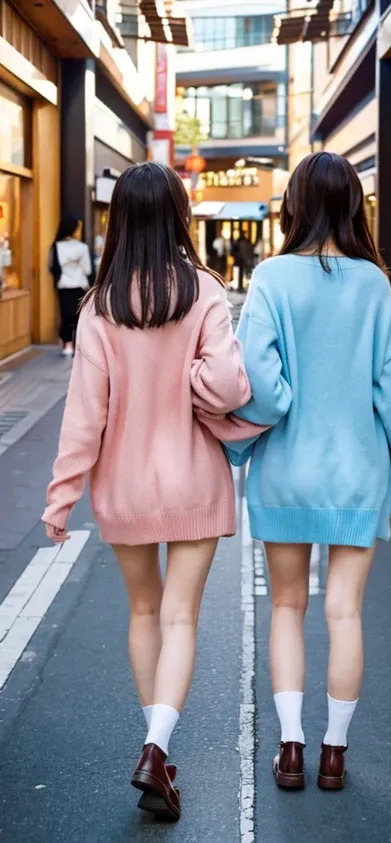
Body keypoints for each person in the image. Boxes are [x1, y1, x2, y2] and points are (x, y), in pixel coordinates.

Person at [42, 162, 259, 821]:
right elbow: (231, 386)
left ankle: (155, 750)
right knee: (181, 617)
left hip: (125, 485)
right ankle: (157, 743)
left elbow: (86, 417)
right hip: (194, 476)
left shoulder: (100, 307)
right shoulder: (204, 290)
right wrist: (194, 370)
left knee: (143, 612)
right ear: (178, 216)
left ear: (118, 222)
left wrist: (60, 496)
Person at [225, 152, 391, 791]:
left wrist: (240, 439)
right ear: (354, 206)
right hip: (358, 471)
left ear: (296, 204)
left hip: (285, 471)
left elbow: (262, 391)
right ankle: (335, 752)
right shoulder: (374, 285)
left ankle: (289, 746)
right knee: (344, 611)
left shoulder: (273, 280)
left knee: (286, 606)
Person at [49, 213, 93, 356]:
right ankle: (79, 346)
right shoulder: (82, 248)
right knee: (79, 317)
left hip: (63, 286)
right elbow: (87, 269)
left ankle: (67, 345)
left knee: (65, 315)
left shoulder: (56, 246)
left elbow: (52, 268)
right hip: (79, 286)